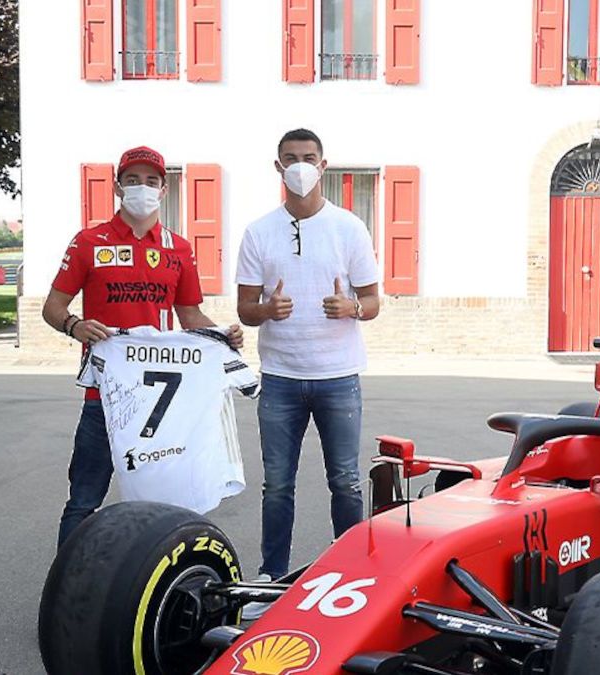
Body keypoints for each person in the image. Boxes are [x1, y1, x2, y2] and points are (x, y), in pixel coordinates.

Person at [42, 145, 244, 548]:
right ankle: (67, 589)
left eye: (151, 181)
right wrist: (74, 325)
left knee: (165, 501)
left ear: (164, 191)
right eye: (132, 181)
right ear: (118, 188)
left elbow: (190, 318)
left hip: (162, 402)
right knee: (83, 501)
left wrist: (223, 336)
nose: (142, 189)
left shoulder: (179, 248)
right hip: (104, 396)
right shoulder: (88, 242)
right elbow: (53, 307)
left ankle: (154, 580)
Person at [235, 129, 381, 617]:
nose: (300, 166)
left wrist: (352, 308)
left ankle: (353, 576)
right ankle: (272, 577)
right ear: (277, 167)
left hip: (338, 375)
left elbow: (373, 301)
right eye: (290, 159)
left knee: (345, 482)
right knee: (277, 484)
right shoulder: (259, 231)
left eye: (308, 158)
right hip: (279, 377)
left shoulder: (349, 228)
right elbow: (244, 308)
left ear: (323, 165)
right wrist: (265, 309)